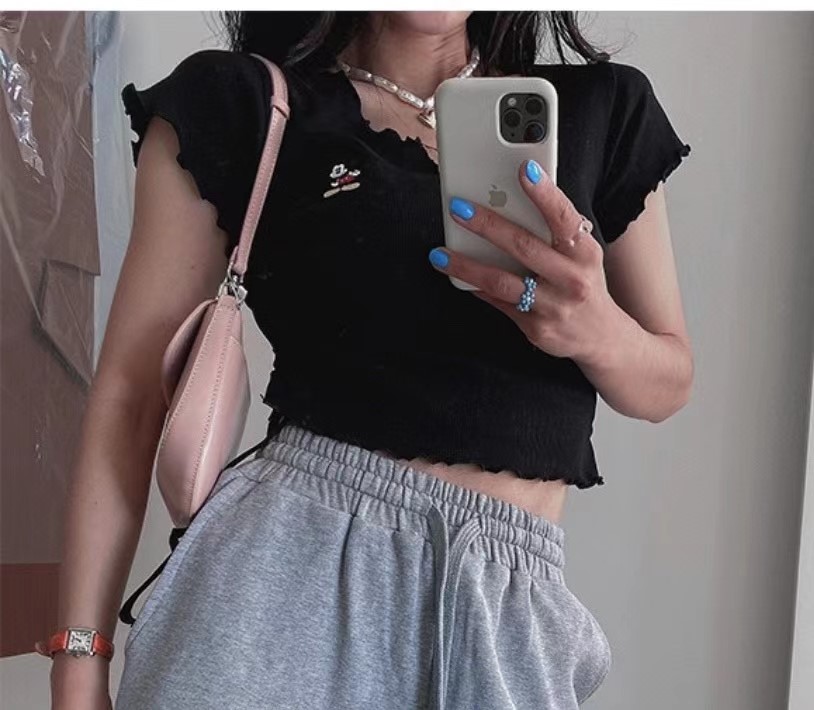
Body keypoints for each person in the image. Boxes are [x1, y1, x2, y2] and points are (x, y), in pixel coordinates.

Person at [44, 10, 692, 710]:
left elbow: (668, 383)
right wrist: (78, 666)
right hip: (281, 595)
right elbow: (132, 396)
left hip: (505, 617)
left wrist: (596, 329)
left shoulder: (602, 112)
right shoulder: (248, 103)